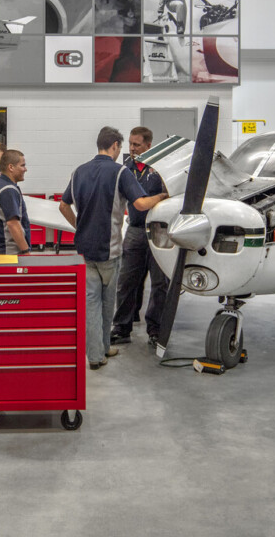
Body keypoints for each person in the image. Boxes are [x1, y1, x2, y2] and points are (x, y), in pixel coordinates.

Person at [59, 126, 169, 370]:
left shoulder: (78, 171)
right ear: (115, 146)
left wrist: (79, 227)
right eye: (125, 145)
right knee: (107, 302)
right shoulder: (121, 172)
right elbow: (140, 204)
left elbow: (63, 206)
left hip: (85, 249)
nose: (127, 150)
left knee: (91, 302)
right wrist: (161, 197)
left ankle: (100, 349)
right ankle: (98, 353)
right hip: (110, 250)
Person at [111, 127, 170, 347]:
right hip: (135, 230)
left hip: (159, 231)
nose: (132, 149)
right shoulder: (126, 169)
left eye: (137, 145)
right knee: (126, 281)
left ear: (148, 145)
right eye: (130, 144)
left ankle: (155, 331)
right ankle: (121, 328)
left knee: (160, 283)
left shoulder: (161, 170)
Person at [0, 149, 32, 255]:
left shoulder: (1, 184)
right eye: (22, 165)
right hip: (8, 253)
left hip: (2, 251)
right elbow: (13, 223)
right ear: (11, 167)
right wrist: (26, 251)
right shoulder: (7, 190)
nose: (25, 169)